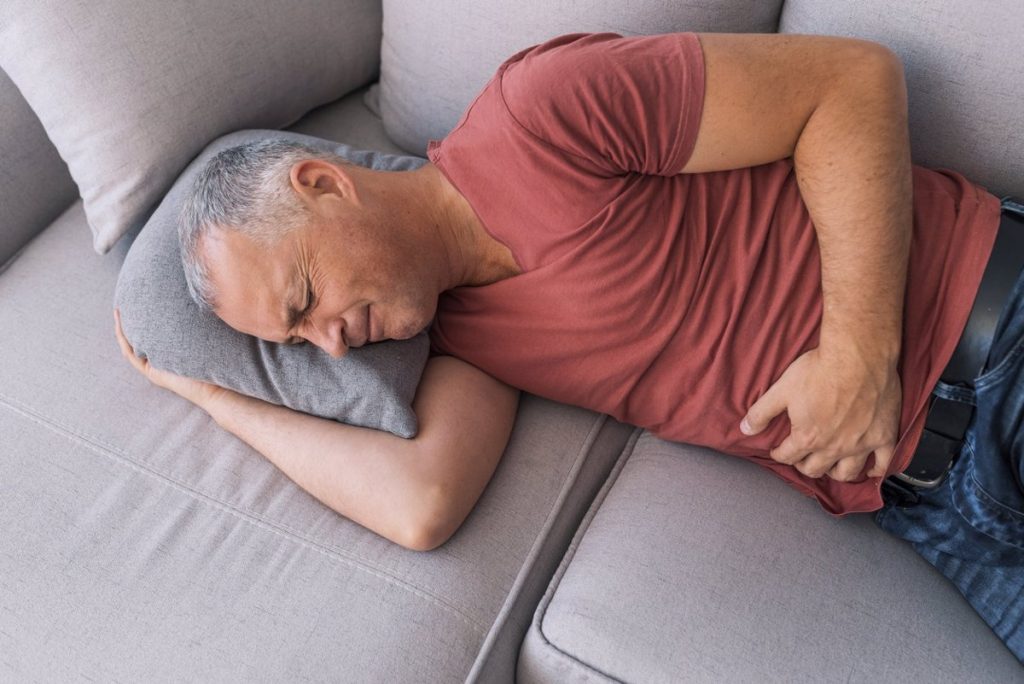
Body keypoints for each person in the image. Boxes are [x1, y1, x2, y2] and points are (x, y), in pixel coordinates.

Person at [112, 31, 1022, 659]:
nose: (332, 347)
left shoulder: (539, 114)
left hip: (995, 335)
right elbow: (419, 506)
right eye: (299, 341)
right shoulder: (463, 342)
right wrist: (207, 395)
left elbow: (853, 81)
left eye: (308, 299)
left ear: (324, 184)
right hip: (931, 511)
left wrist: (858, 351)